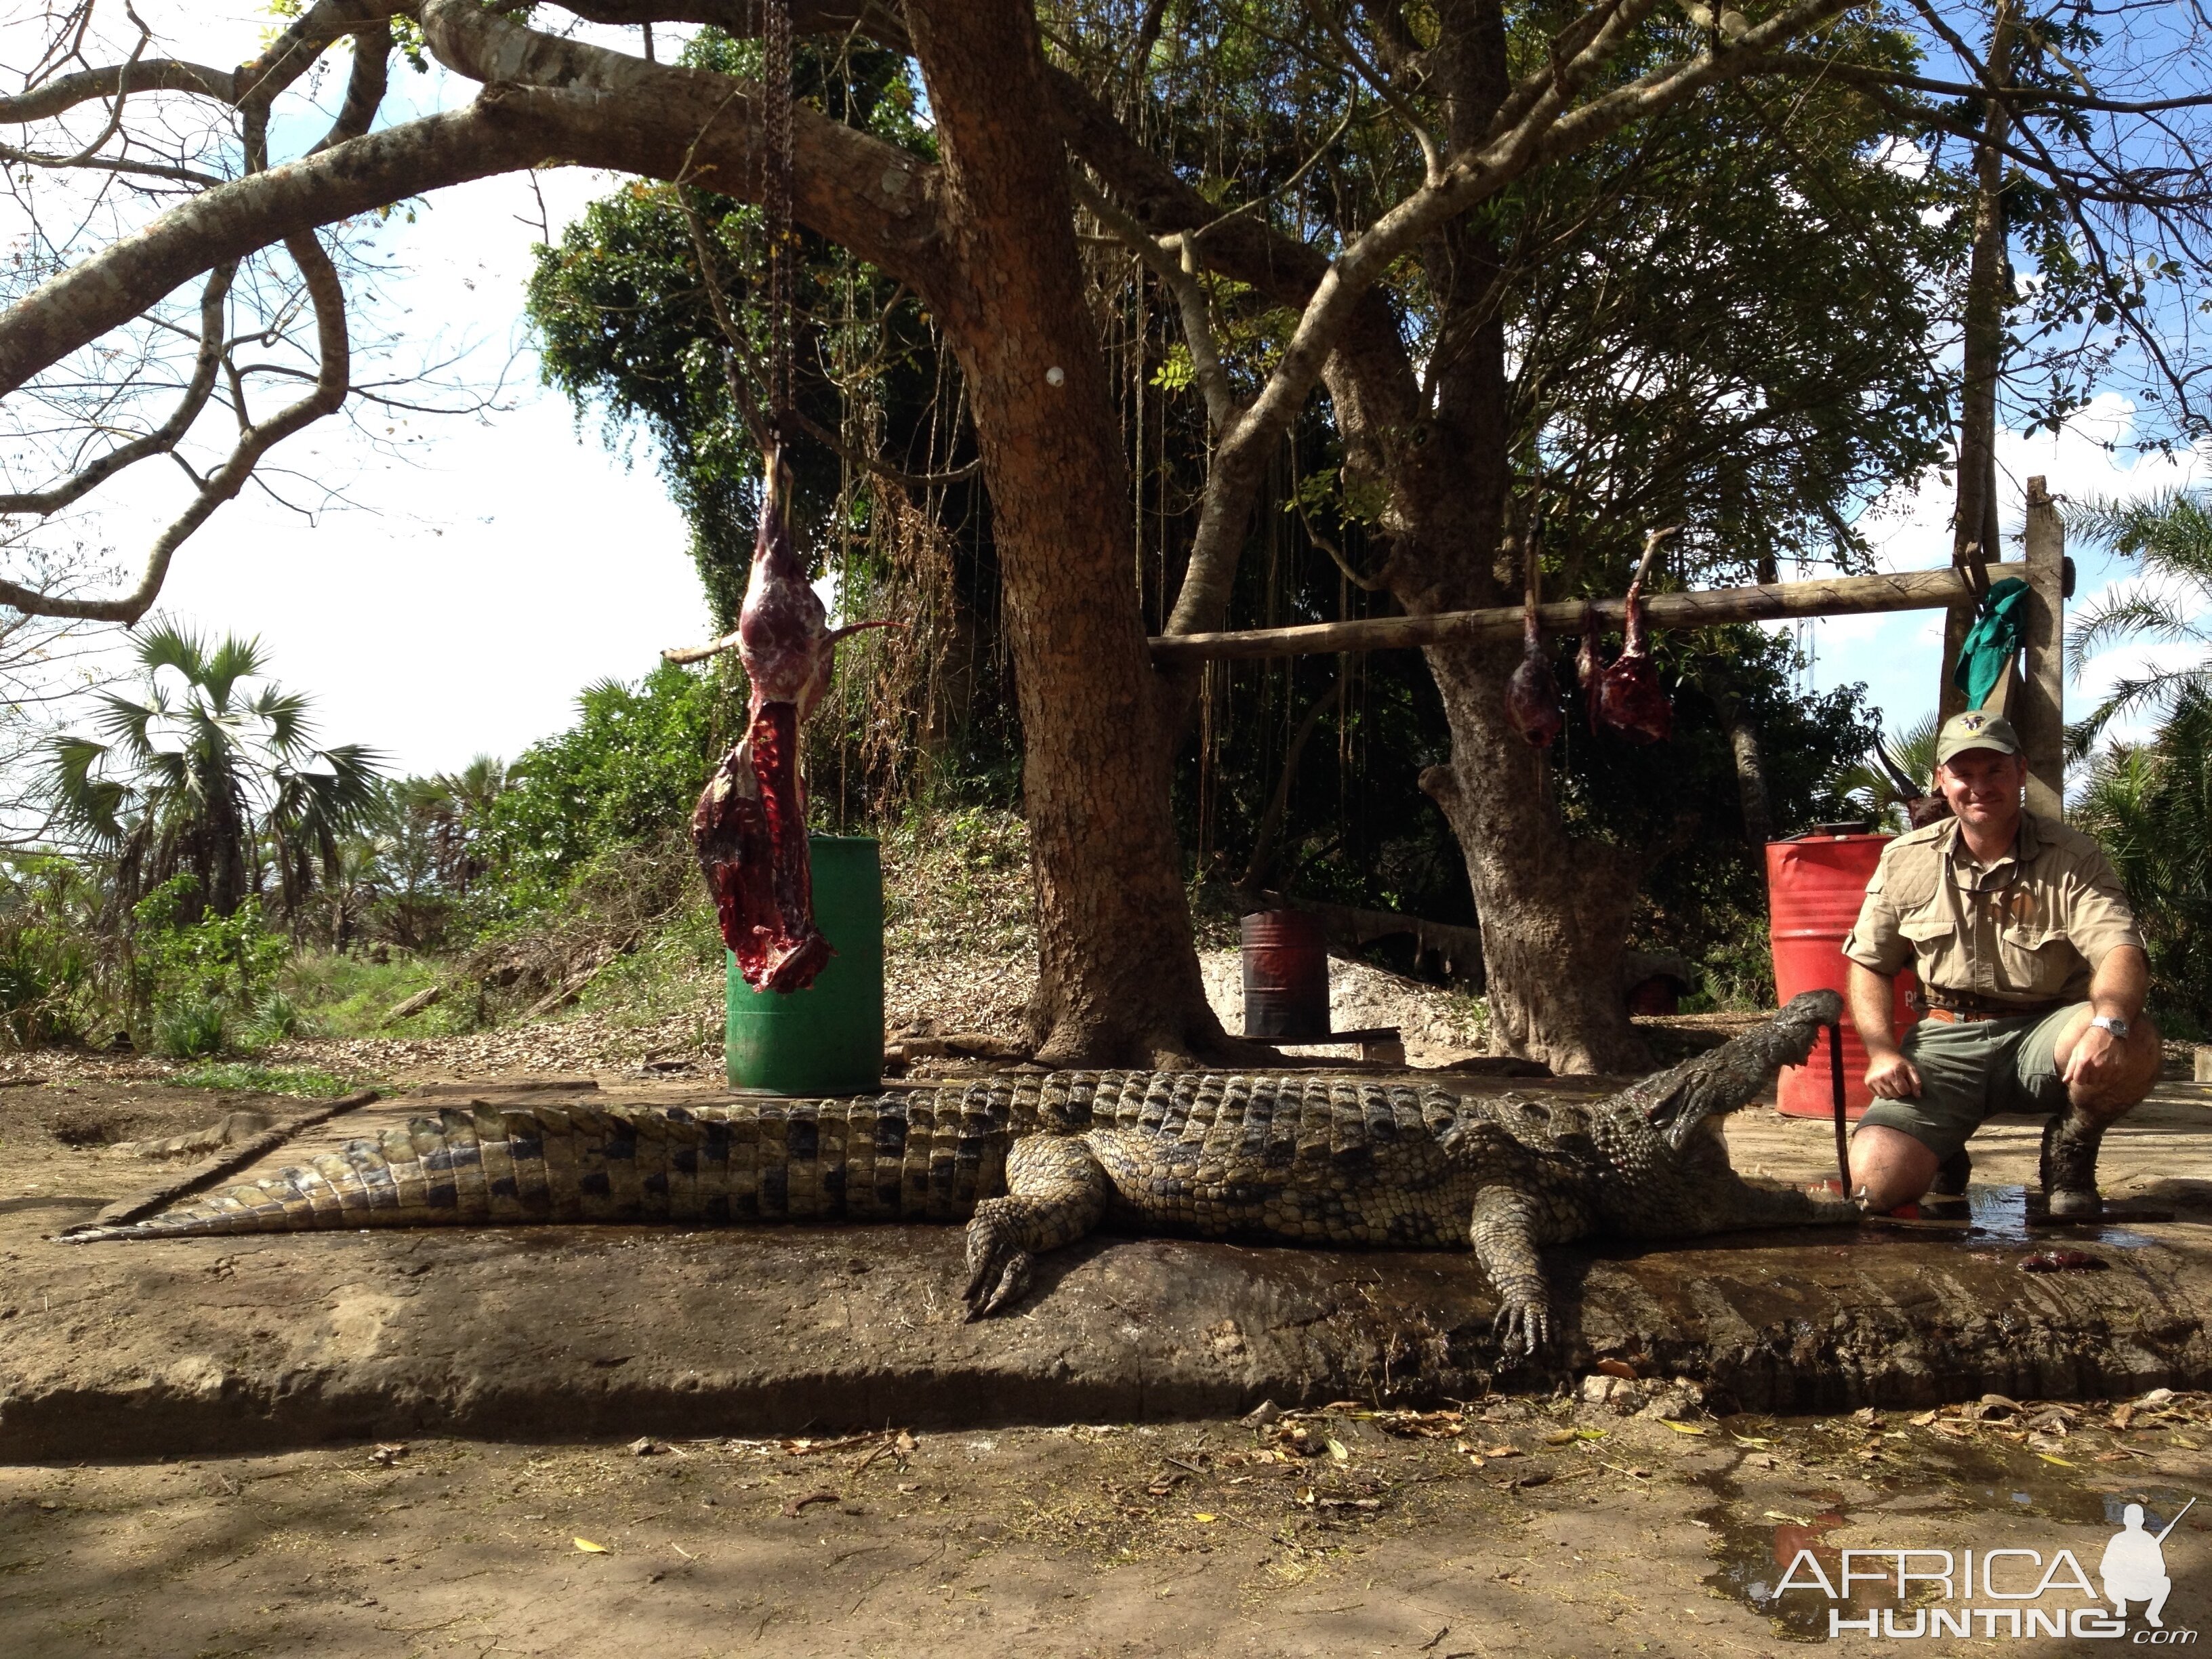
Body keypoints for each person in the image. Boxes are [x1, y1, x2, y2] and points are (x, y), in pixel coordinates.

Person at [1839, 710, 2162, 1217]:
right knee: (1876, 1187)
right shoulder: (1905, 858)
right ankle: (1943, 1144)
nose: (1979, 786)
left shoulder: (2073, 856)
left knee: (2134, 1036)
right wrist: (1881, 1051)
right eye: (1964, 773)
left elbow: (2120, 949)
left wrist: (2110, 1022)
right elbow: (1870, 963)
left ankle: (2070, 1153)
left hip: (2044, 1032)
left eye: (1994, 770)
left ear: (2020, 772)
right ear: (1941, 780)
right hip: (1945, 1038)